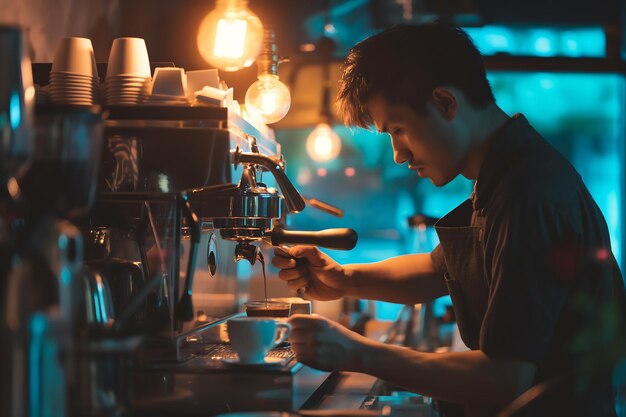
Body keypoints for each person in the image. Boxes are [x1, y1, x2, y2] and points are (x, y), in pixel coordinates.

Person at [272, 22, 626, 417]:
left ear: (445, 103)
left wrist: (355, 353)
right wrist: (342, 278)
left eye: (399, 130)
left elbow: (504, 377)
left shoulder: (528, 193)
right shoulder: (504, 175)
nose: (398, 155)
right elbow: (437, 268)